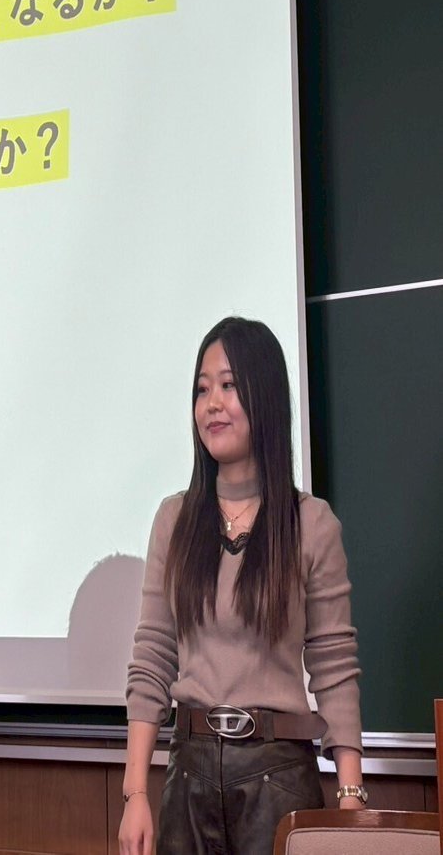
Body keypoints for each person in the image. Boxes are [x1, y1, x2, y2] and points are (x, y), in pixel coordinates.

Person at [120, 316, 363, 855]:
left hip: (279, 779)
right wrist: (135, 791)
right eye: (202, 389)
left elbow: (334, 664)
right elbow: (153, 654)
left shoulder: (310, 523)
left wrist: (350, 795)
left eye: (228, 386)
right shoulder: (174, 520)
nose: (212, 404)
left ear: (265, 396)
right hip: (188, 777)